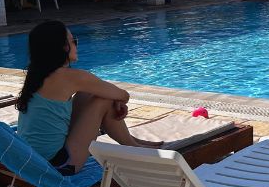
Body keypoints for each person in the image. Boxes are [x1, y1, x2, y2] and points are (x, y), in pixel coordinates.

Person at [15, 20, 164, 174]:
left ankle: (132, 142)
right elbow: (123, 95)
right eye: (74, 41)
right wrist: (117, 101)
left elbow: (108, 92)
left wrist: (115, 98)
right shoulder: (71, 77)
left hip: (31, 160)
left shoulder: (37, 75)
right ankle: (132, 145)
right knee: (104, 99)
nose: (76, 45)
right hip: (57, 166)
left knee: (88, 94)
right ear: (63, 47)